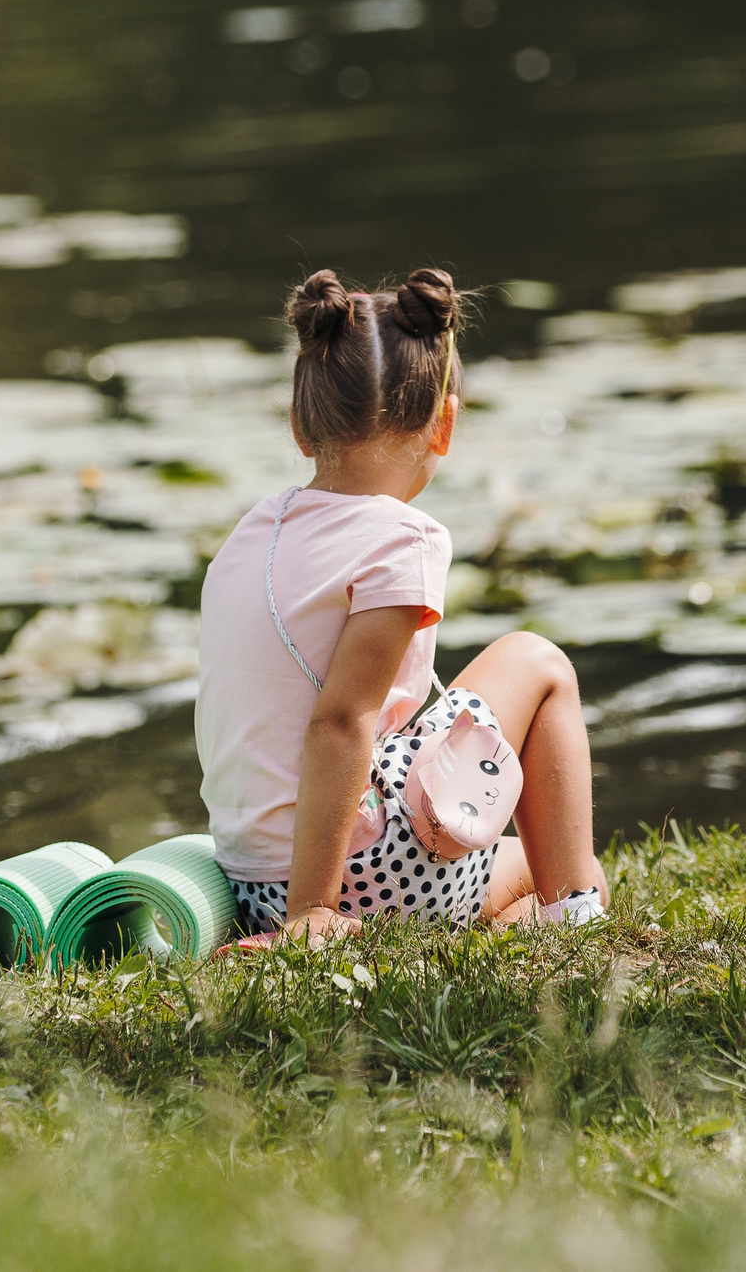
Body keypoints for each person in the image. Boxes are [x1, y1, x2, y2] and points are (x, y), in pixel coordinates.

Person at [194, 267, 608, 940]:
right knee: (537, 660)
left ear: (302, 425)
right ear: (443, 424)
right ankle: (578, 922)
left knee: (524, 864)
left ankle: (529, 923)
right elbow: (340, 722)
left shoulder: (250, 531)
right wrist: (313, 913)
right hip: (346, 874)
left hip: (248, 881)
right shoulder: (404, 538)